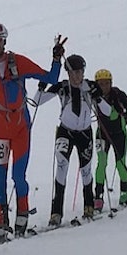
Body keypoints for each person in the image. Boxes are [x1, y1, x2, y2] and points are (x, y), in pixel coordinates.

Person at [0, 22, 63, 241]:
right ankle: (0, 222)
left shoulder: (18, 61)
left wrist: (56, 59)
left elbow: (51, 79)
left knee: (19, 176)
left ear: (4, 40)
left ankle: (22, 216)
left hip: (21, 129)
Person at [34, 54, 97, 226]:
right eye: (72, 72)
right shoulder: (62, 86)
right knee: (61, 167)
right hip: (65, 132)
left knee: (86, 170)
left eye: (79, 72)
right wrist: (42, 84)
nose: (76, 76)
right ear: (67, 73)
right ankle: (56, 212)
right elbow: (36, 102)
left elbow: (105, 112)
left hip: (85, 133)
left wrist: (98, 96)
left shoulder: (90, 86)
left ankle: (89, 206)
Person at [89, 69, 127, 209]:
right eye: (101, 84)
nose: (104, 86)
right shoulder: (93, 95)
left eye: (106, 83)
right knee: (101, 163)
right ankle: (98, 196)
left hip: (119, 133)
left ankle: (125, 191)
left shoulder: (118, 94)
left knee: (120, 164)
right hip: (102, 133)